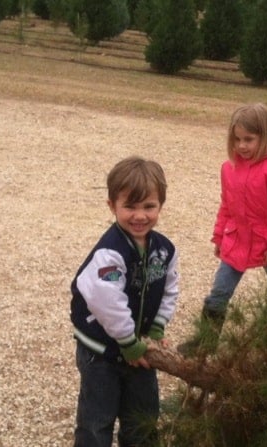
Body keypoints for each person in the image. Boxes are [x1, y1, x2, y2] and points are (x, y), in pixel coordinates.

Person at [69, 156, 180, 447]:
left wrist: (156, 327)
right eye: (130, 206)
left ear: (161, 205)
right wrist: (128, 342)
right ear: (112, 205)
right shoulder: (110, 253)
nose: (140, 215)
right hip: (102, 350)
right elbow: (107, 301)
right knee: (97, 419)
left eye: (149, 206)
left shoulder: (164, 250)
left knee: (143, 416)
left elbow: (169, 288)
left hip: (139, 347)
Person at [178, 103, 267, 355]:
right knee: (219, 292)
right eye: (237, 139)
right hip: (238, 240)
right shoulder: (229, 168)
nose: (242, 145)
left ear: (264, 136)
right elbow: (227, 205)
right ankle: (205, 342)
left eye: (249, 139)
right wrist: (219, 236)